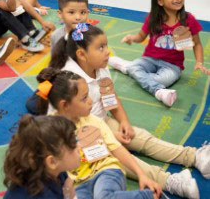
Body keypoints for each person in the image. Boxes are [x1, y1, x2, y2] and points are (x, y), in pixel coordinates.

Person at [35, 24, 208, 198]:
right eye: (100, 47)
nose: (107, 51)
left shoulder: (100, 66)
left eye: (106, 46)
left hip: (101, 121)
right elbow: (69, 127)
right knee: (111, 156)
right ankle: (170, 181)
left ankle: (193, 156)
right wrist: (107, 137)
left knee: (140, 138)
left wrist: (124, 122)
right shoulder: (69, 83)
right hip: (79, 134)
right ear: (81, 54)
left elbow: (111, 97)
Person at [37, 70, 169, 199]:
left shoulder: (94, 121)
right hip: (78, 183)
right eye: (84, 98)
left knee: (104, 196)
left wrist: (141, 175)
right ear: (65, 105)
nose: (90, 101)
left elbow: (117, 149)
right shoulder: (50, 129)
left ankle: (150, 196)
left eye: (88, 95)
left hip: (105, 171)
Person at [113, 0, 207, 107]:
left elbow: (197, 44)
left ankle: (126, 67)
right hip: (149, 59)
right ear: (160, 1)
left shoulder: (188, 19)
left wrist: (199, 62)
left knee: (157, 79)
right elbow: (141, 36)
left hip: (173, 66)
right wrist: (132, 38)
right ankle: (159, 92)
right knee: (138, 70)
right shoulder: (153, 17)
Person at [3, 114, 80, 199]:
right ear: (52, 161)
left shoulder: (52, 170)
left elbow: (68, 186)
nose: (79, 147)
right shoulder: (41, 195)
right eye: (73, 144)